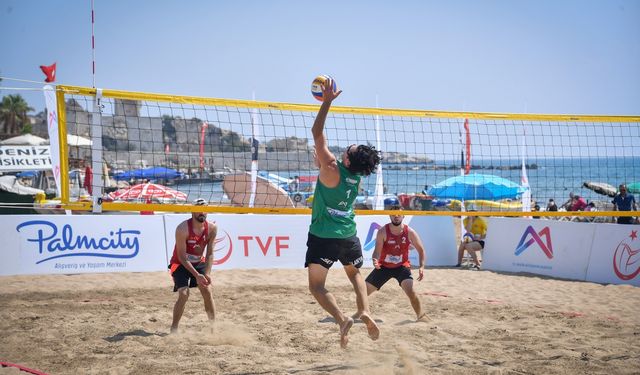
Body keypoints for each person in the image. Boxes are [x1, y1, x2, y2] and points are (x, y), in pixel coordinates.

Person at [305, 78, 381, 348]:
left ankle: (341, 318)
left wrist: (326, 102)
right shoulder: (355, 177)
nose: (346, 148)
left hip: (324, 234)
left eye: (348, 150)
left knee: (316, 286)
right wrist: (322, 160)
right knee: (356, 274)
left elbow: (317, 132)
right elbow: (323, 157)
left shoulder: (333, 168)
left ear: (347, 160)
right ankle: (365, 311)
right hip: (348, 234)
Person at [356, 206, 428, 321]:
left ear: (403, 216)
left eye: (398, 214)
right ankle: (360, 313)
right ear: (389, 215)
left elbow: (421, 250)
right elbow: (376, 252)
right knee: (362, 292)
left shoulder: (409, 232)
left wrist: (421, 267)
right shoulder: (382, 231)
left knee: (411, 291)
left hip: (402, 267)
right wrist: (375, 260)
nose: (396, 216)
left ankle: (421, 316)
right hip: (384, 267)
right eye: (393, 214)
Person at [168, 198, 218, 333]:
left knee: (207, 290)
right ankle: (174, 328)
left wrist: (206, 273)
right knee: (184, 294)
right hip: (179, 263)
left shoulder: (212, 228)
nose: (202, 212)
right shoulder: (182, 228)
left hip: (198, 262)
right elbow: (182, 257)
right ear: (192, 210)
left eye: (205, 209)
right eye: (199, 209)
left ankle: (213, 329)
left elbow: (210, 254)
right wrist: (197, 275)